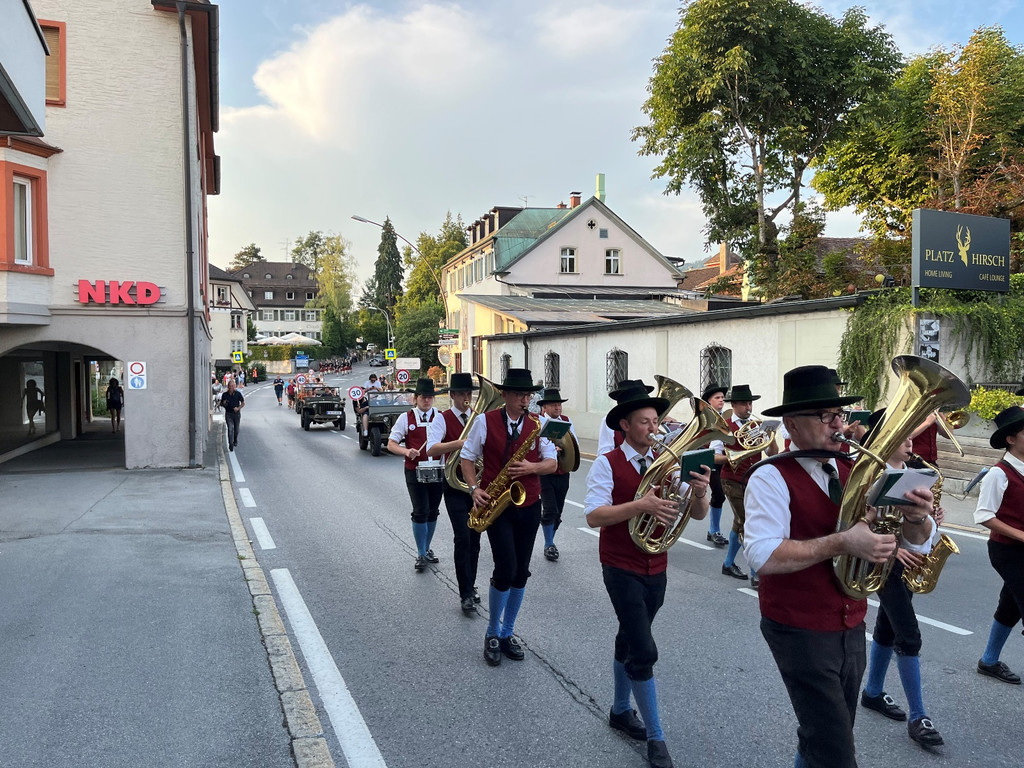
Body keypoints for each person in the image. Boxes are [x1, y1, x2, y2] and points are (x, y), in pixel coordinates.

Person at [743, 364, 934, 768]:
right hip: (797, 626)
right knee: (836, 752)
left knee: (826, 733)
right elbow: (761, 556)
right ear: (791, 423)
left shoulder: (855, 470)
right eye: (826, 416)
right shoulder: (770, 476)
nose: (838, 425)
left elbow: (916, 540)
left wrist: (916, 517)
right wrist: (844, 541)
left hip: (850, 623)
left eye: (840, 415)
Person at [585, 380, 711, 768]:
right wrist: (640, 504)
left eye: (656, 421)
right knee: (644, 649)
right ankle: (657, 739)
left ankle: (621, 710)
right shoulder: (607, 462)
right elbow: (593, 515)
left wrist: (702, 491)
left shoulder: (670, 464)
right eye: (645, 422)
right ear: (625, 425)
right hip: (620, 566)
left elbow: (699, 514)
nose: (654, 429)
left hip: (657, 566)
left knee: (629, 636)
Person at [460, 368, 557, 667]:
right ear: (504, 395)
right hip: (497, 503)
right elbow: (466, 457)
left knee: (521, 571)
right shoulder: (483, 422)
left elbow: (553, 463)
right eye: (519, 395)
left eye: (528, 395)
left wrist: (531, 468)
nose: (524, 400)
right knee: (505, 567)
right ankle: (492, 632)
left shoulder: (541, 425)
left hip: (529, 504)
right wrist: (474, 489)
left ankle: (507, 632)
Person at [859, 415, 945, 748]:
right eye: (904, 436)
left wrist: (929, 518)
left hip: (907, 560)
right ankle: (918, 716)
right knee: (909, 635)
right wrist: (894, 552)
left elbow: (919, 527)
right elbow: (857, 526)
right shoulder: (868, 477)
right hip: (880, 562)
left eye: (912, 436)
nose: (911, 442)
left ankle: (873, 692)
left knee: (886, 628)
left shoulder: (914, 474)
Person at [973, 406, 1024, 686]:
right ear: (1011, 439)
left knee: (1010, 605)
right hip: (1006, 551)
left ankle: (989, 661)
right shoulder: (998, 473)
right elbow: (983, 516)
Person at [426, 372, 483, 613]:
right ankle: (465, 593)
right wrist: (459, 443)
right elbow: (431, 449)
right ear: (452, 396)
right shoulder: (442, 419)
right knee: (462, 537)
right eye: (461, 394)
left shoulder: (479, 419)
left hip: (477, 487)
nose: (466, 398)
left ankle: (470, 584)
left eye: (469, 393)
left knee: (476, 539)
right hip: (453, 485)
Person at [719, 384, 777, 586]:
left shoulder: (758, 424)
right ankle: (756, 572)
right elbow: (713, 455)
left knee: (740, 522)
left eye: (750, 403)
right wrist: (732, 457)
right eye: (744, 403)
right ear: (733, 405)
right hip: (732, 479)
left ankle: (728, 564)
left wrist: (771, 436)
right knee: (747, 522)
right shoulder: (724, 425)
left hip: (754, 478)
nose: (748, 407)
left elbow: (772, 453)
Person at [388, 378, 445, 572]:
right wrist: (406, 451)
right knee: (420, 510)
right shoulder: (406, 418)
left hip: (438, 468)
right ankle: (421, 552)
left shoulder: (441, 416)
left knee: (433, 511)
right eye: (423, 397)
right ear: (415, 398)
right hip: (415, 470)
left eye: (430, 397)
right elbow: (391, 443)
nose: (427, 401)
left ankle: (427, 548)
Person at [536, 388, 576, 562]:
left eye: (559, 404)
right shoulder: (537, 422)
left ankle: (550, 535)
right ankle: (549, 544)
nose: (558, 407)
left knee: (558, 511)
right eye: (554, 404)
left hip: (563, 471)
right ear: (544, 407)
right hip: (544, 472)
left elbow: (574, 443)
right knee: (550, 508)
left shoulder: (566, 421)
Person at [702, 385, 730, 547]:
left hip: (720, 459)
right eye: (717, 398)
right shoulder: (704, 417)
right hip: (707, 459)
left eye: (722, 398)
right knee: (718, 494)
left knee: (719, 495)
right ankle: (714, 531)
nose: (721, 400)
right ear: (709, 402)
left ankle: (713, 530)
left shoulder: (725, 418)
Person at [220, 378, 245, 451]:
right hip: (228, 414)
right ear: (228, 387)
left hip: (236, 414)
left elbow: (243, 403)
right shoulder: (225, 395)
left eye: (233, 386)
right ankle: (230, 443)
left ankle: (235, 440)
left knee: (236, 430)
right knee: (230, 428)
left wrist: (238, 408)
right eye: (231, 386)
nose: (232, 388)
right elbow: (221, 403)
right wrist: (223, 403)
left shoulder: (238, 394)